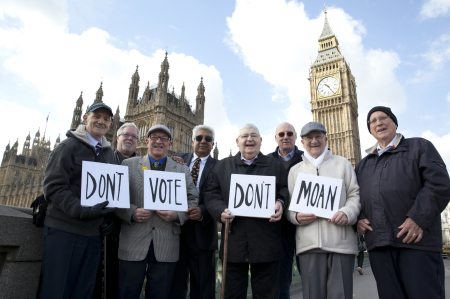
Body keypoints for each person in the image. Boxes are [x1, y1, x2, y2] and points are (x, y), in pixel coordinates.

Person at [356, 106, 450, 299]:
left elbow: (439, 184)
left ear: (395, 122)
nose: (378, 123)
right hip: (379, 246)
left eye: (383, 118)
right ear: (370, 129)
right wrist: (358, 218)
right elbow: (354, 197)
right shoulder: (363, 164)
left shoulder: (419, 146)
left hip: (416, 243)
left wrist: (418, 218)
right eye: (373, 121)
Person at [204, 123, 289, 299]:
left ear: (260, 141)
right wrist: (220, 211)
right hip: (233, 243)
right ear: (237, 141)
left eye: (253, 135)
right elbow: (211, 195)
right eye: (244, 136)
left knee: (267, 295)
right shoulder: (221, 167)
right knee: (232, 294)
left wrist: (281, 202)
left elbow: (285, 190)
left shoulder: (276, 166)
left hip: (266, 243)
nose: (249, 139)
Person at [41, 102, 116, 298]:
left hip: (92, 235)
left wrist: (108, 216)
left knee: (83, 290)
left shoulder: (109, 153)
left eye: (106, 119)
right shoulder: (68, 146)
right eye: (96, 116)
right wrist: (83, 209)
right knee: (57, 289)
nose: (101, 121)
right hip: (64, 230)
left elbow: (110, 192)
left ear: (110, 125)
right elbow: (54, 187)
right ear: (84, 118)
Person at [116, 124, 199, 299]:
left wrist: (178, 215)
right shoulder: (128, 165)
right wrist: (131, 212)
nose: (158, 141)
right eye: (154, 137)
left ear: (170, 144)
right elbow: (116, 198)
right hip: (133, 243)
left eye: (164, 138)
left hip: (166, 244)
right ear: (147, 141)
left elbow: (193, 199)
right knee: (126, 293)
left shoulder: (182, 169)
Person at [287, 121, 360, 299]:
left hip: (341, 244)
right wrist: (296, 217)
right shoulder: (295, 171)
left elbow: (354, 195)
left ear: (326, 139)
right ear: (302, 142)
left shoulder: (343, 164)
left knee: (340, 295)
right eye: (309, 138)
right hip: (308, 245)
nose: (314, 141)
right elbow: (289, 208)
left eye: (318, 137)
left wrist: (346, 213)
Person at [171, 125, 218, 299]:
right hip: (175, 233)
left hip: (203, 234)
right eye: (199, 138)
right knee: (175, 285)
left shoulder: (220, 167)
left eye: (208, 139)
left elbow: (221, 197)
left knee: (203, 287)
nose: (203, 141)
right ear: (192, 142)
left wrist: (203, 212)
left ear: (213, 144)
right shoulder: (177, 160)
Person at [96, 122, 140, 299]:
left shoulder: (144, 165)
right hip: (104, 230)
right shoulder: (102, 158)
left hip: (132, 234)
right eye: (125, 135)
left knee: (123, 284)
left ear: (138, 141)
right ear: (117, 137)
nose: (129, 138)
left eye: (134, 136)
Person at [269, 122, 303, 299]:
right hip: (278, 229)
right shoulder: (266, 160)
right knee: (282, 280)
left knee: (312, 277)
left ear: (295, 137)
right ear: (275, 138)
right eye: (281, 134)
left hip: (306, 226)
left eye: (289, 133)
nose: (285, 137)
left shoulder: (307, 158)